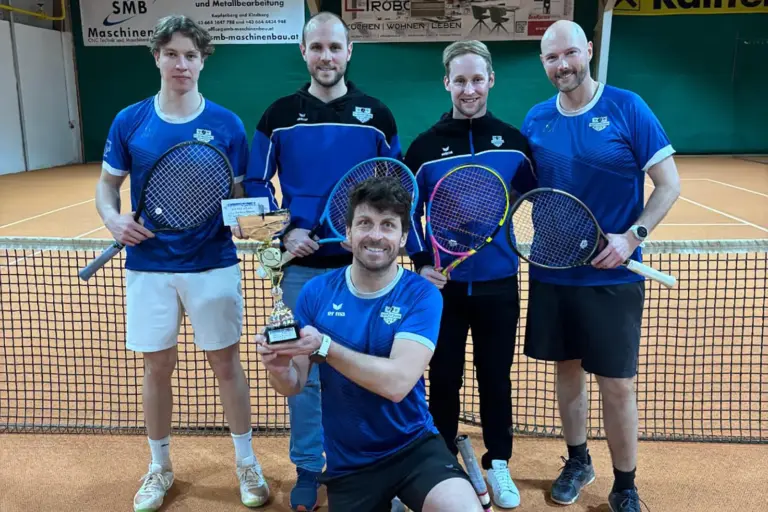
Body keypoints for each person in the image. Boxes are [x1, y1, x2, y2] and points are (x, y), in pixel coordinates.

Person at [95, 15, 269, 512]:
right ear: (156, 57)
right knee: (157, 366)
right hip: (149, 265)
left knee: (226, 363)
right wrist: (112, 221)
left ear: (202, 61)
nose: (181, 63)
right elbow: (108, 184)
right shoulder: (131, 120)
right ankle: (160, 467)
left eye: (190, 55)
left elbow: (238, 195)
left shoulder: (227, 124)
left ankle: (245, 461)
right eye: (171, 53)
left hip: (212, 262)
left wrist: (249, 224)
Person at [241, 11, 402, 512]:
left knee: (370, 367)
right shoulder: (279, 115)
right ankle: (310, 467)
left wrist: (378, 242)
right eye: (318, 47)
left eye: (336, 47)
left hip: (369, 270)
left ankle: (376, 466)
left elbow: (394, 188)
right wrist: (287, 229)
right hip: (303, 272)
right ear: (304, 52)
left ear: (349, 52)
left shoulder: (376, 115)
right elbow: (253, 185)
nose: (326, 56)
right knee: (304, 373)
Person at [521, 20, 681, 512]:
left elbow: (668, 184)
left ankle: (625, 485)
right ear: (543, 63)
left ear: (588, 50)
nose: (562, 65)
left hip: (613, 274)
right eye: (551, 58)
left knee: (616, 383)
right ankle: (577, 460)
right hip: (553, 271)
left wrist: (633, 236)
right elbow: (522, 189)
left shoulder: (626, 107)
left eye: (570, 53)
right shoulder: (535, 119)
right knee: (566, 372)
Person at [255, 176, 485, 512]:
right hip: (350, 462)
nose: (375, 235)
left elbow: (396, 384)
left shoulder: (421, 295)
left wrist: (325, 348)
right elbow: (294, 384)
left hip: (413, 447)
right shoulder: (316, 293)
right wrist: (278, 368)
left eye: (388, 225)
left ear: (403, 237)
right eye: (365, 223)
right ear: (347, 233)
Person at [403, 39, 536, 510]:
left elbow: (536, 199)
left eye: (477, 79)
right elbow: (406, 216)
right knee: (443, 376)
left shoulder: (516, 145)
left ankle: (497, 459)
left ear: (491, 80)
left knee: (496, 376)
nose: (469, 88)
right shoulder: (423, 148)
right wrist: (420, 263)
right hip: (445, 290)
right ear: (447, 83)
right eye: (460, 80)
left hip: (500, 284)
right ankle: (440, 461)